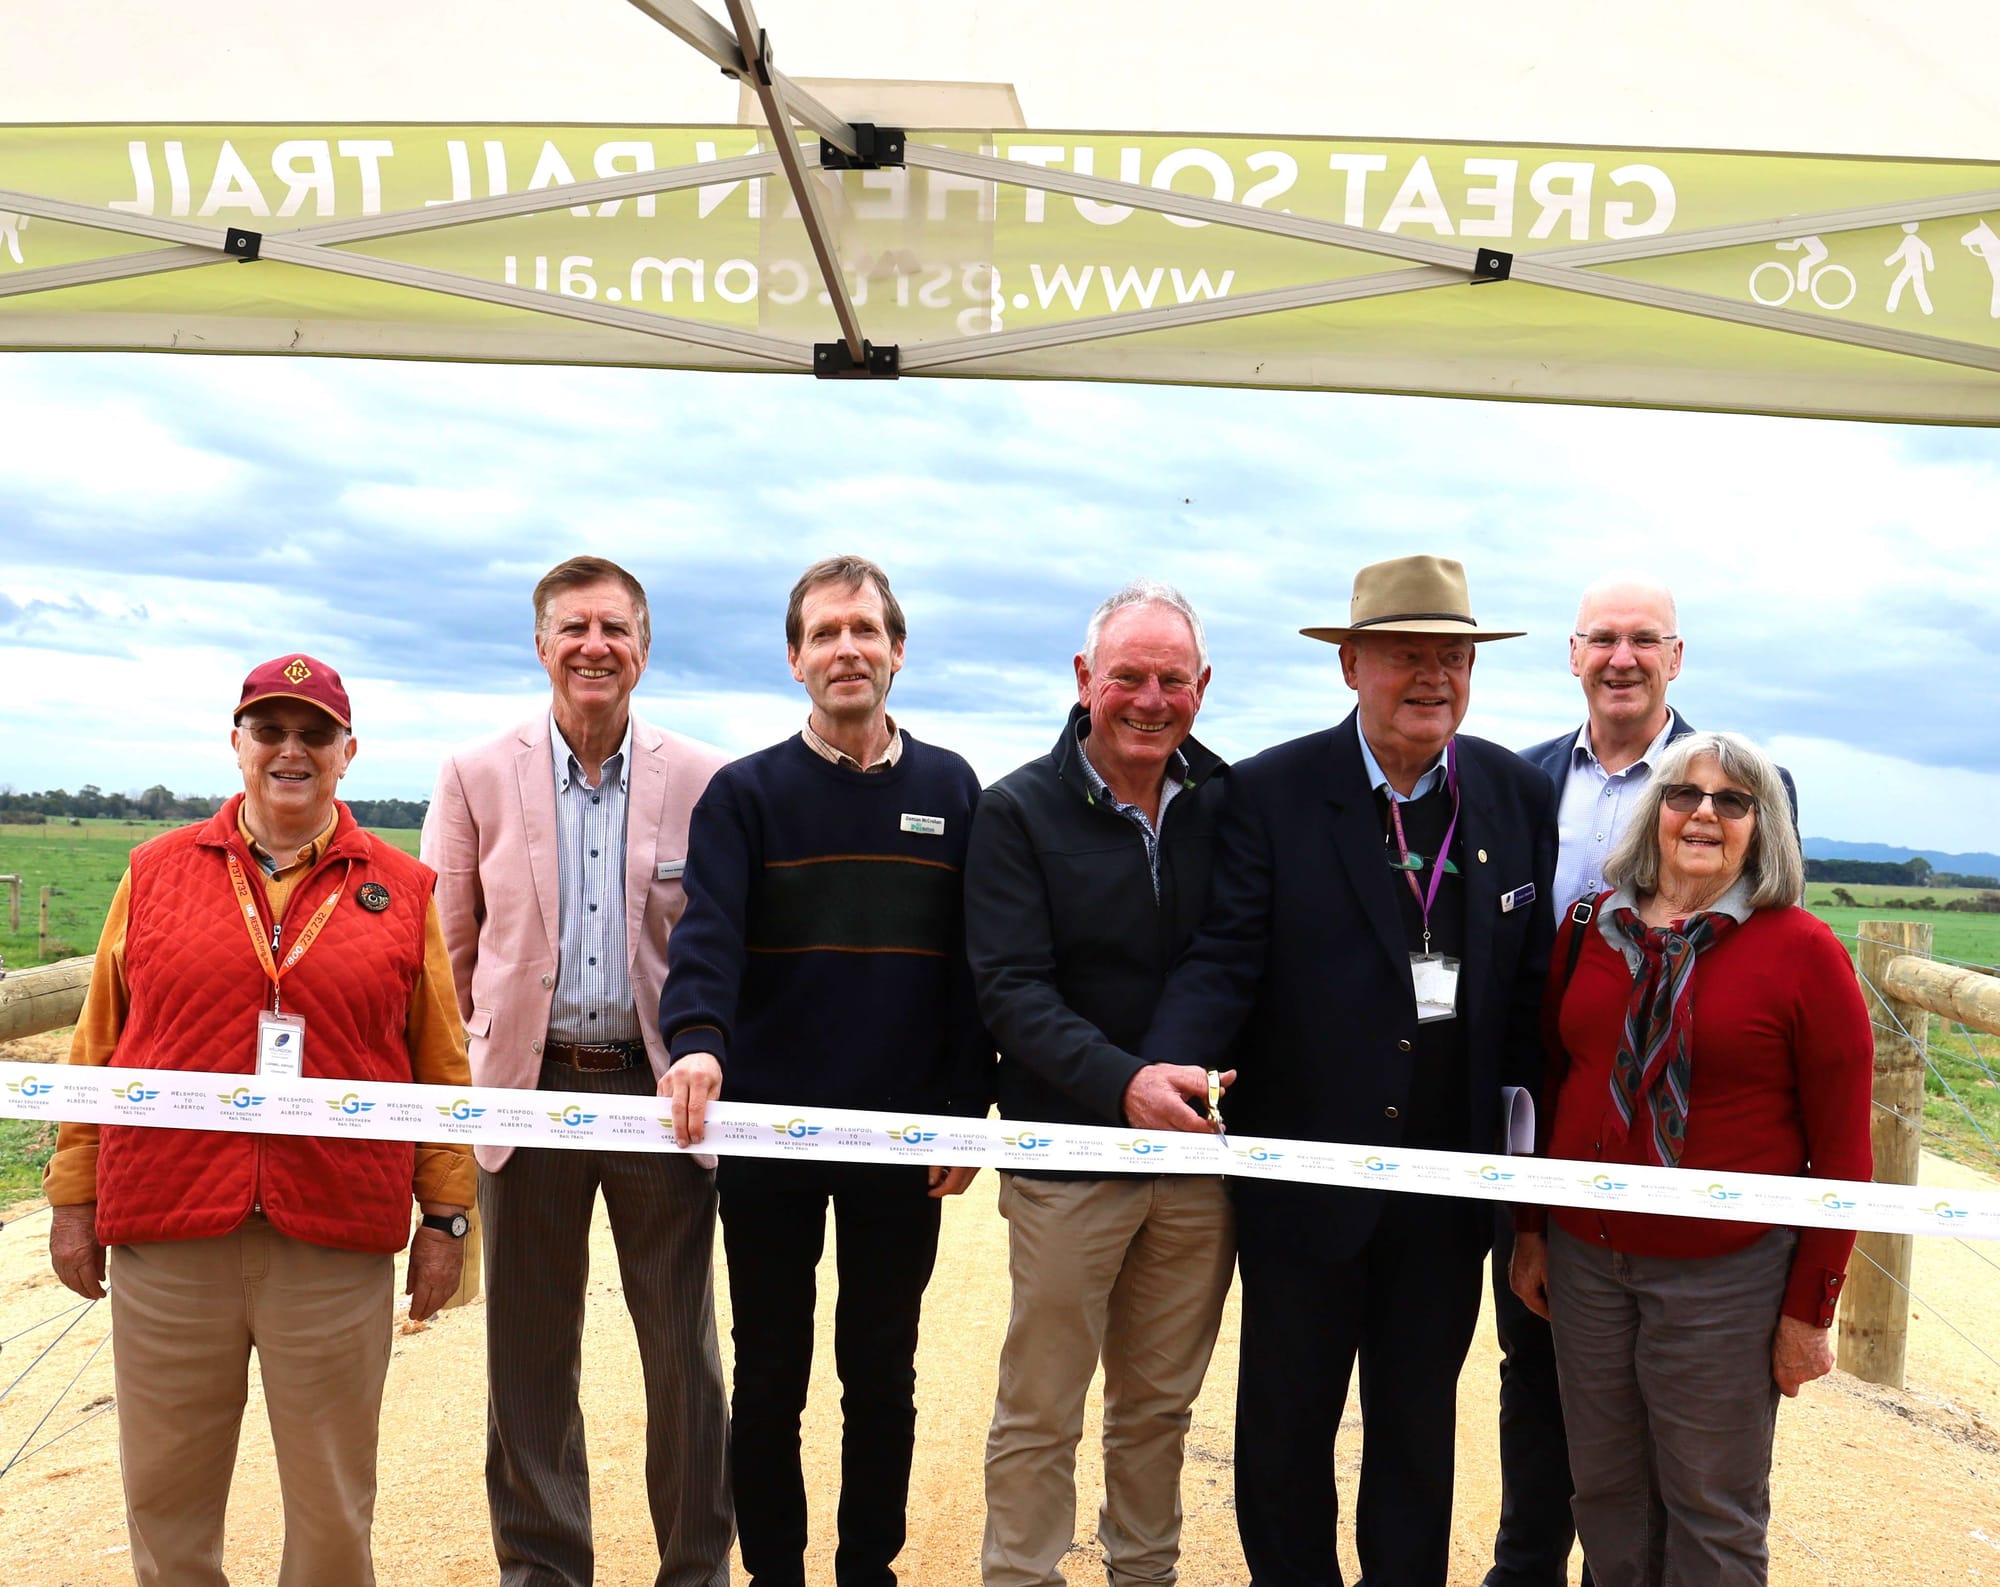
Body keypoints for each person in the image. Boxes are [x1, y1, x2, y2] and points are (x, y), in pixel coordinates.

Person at [1141, 553, 1558, 1587]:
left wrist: (1533, 1187)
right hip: (1305, 1181)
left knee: (1417, 1433)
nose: (1432, 677)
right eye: (1405, 655)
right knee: (1285, 1430)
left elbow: (1528, 997)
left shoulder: (1513, 793)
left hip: (1447, 1190)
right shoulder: (1270, 792)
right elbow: (1225, 956)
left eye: (1452, 658)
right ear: (1350, 666)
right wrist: (1174, 1060)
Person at [45, 653, 474, 1587]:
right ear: (236, 744)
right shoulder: (154, 871)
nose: (291, 750)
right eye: (270, 730)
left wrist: (446, 1217)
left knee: (332, 1506)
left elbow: (439, 1065)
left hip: (333, 1236)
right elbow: (98, 1044)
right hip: (169, 1230)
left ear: (347, 752)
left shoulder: (403, 889)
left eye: (314, 734)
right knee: (166, 1500)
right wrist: (74, 1195)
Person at [657, 554, 991, 1587]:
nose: (847, 649)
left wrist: (962, 1107)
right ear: (794, 658)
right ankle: (776, 1574)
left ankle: (865, 1570)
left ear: (897, 650)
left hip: (903, 1137)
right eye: (825, 633)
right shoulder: (743, 795)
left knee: (881, 1374)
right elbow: (706, 937)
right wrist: (698, 1039)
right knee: (768, 1377)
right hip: (768, 1134)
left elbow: (972, 967)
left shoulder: (952, 790)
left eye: (864, 629)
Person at [422, 556, 733, 1587]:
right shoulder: (473, 774)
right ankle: (543, 1569)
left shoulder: (705, 778)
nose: (594, 646)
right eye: (573, 628)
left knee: (683, 1356)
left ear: (644, 646)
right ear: (540, 644)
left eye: (614, 628)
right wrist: (466, 1088)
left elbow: (725, 943)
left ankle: (695, 1568)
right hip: (527, 1092)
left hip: (659, 1095)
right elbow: (448, 950)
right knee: (527, 1355)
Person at [1508, 732, 1872, 1587]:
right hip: (1587, 1263)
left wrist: (1811, 1305)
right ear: (1655, 812)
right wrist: (1531, 1228)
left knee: (1712, 1508)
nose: (1705, 813)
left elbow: (1844, 1150)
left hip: (1726, 1277)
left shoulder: (1803, 950)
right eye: (1684, 794)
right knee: (1606, 1496)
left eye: (1732, 801)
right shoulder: (1589, 929)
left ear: (1761, 826)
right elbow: (1552, 1086)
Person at [1501, 578, 1796, 1587]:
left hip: (1698, 1174)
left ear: (1675, 658)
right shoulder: (1521, 779)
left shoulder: (1738, 779)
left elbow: (1768, 938)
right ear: (1572, 654)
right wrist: (1532, 1210)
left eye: (1642, 640)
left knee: (1693, 1466)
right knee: (1544, 1391)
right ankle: (1525, 1569)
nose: (1619, 658)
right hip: (1558, 1129)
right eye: (1601, 639)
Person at [965, 580, 1235, 1587]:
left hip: (1195, 1165)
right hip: (1067, 1159)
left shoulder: (1229, 803)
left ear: (1202, 685)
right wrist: (1126, 1084)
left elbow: (1240, 958)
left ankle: (1144, 1575)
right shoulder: (1015, 810)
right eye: (1128, 676)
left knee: (1158, 1409)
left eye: (1172, 679)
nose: (1150, 700)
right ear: (1084, 679)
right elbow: (1010, 990)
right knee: (1041, 1410)